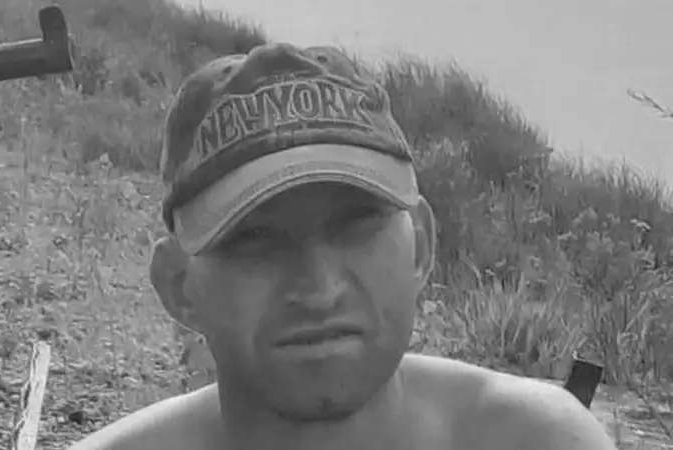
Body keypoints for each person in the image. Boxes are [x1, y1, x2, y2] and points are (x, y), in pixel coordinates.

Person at [68, 42, 616, 450]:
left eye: (356, 225)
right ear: (179, 288)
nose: (320, 288)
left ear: (422, 246)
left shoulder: (543, 441)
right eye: (254, 239)